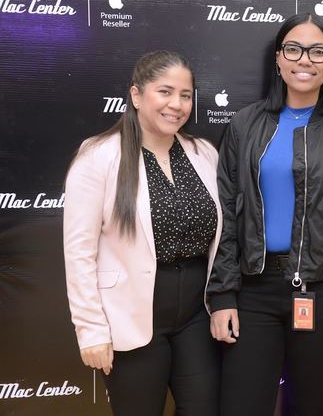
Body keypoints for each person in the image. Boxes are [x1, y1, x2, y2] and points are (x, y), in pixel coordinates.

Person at [207, 13, 323, 416]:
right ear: (278, 58)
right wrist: (221, 295)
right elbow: (226, 214)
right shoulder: (244, 125)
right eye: (294, 49)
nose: (304, 60)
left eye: (317, 51)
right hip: (253, 292)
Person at [64, 51, 222, 415]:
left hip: (197, 316)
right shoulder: (98, 157)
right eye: (164, 92)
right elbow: (78, 253)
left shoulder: (204, 154)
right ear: (136, 96)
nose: (176, 104)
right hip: (129, 318)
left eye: (185, 95)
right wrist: (91, 331)